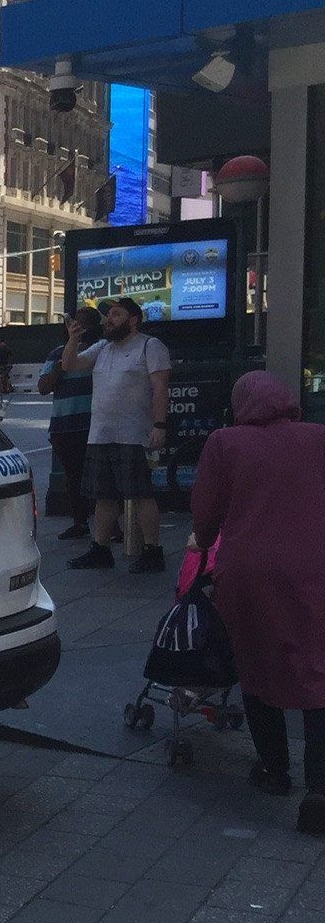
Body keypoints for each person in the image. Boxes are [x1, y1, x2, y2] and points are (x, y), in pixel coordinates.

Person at [191, 370, 325, 835]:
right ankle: (320, 789)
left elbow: (206, 512)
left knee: (257, 665)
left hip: (249, 569)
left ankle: (274, 770)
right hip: (315, 564)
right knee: (317, 669)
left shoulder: (225, 442)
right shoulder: (318, 437)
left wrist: (204, 541)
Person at [63, 296, 170, 573]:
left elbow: (160, 388)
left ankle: (153, 551)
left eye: (117, 314)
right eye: (109, 315)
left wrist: (159, 425)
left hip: (133, 433)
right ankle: (101, 549)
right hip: (100, 433)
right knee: (103, 495)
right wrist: (73, 339)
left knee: (141, 493)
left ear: (133, 320)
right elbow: (69, 365)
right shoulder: (102, 347)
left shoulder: (150, 345)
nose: (109, 320)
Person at [38, 308, 98, 539]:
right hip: (65, 427)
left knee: (101, 477)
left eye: (86, 327)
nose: (81, 331)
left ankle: (111, 526)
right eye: (77, 326)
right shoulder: (57, 354)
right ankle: (80, 522)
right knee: (74, 478)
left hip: (94, 424)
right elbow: (43, 387)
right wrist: (61, 365)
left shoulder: (101, 351)